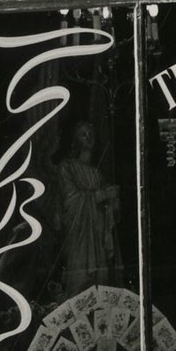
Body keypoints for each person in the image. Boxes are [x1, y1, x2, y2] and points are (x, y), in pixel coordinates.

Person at [55, 120, 120, 295]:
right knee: (79, 282)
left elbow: (109, 211)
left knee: (100, 284)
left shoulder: (97, 173)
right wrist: (102, 195)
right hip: (79, 235)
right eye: (84, 134)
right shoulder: (66, 167)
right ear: (75, 141)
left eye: (91, 134)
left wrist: (112, 203)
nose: (89, 137)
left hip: (97, 232)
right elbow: (71, 201)